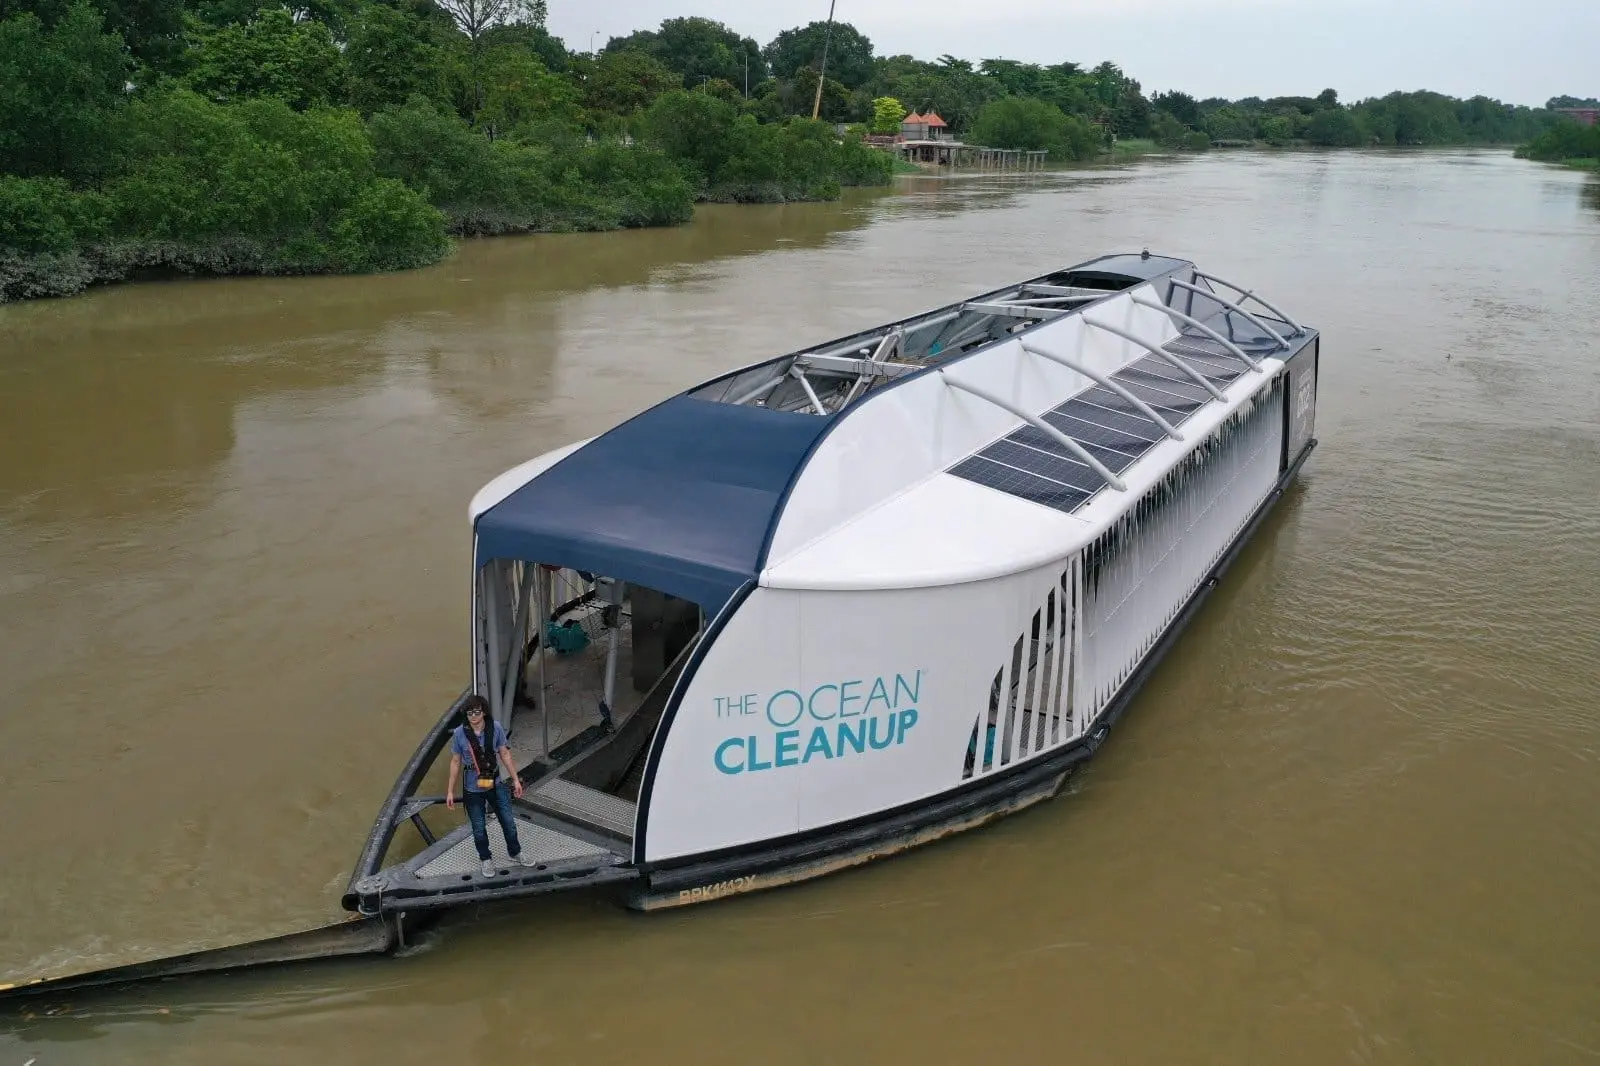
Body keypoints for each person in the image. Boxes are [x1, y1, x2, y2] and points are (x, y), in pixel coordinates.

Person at [446, 695, 535, 877]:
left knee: (508, 822)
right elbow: (455, 762)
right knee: (478, 828)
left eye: (477, 711)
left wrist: (516, 779)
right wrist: (449, 791)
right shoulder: (459, 734)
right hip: (472, 788)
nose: (473, 716)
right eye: (469, 712)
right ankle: (485, 858)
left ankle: (515, 851)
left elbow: (504, 754)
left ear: (484, 711)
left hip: (495, 784)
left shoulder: (495, 728)